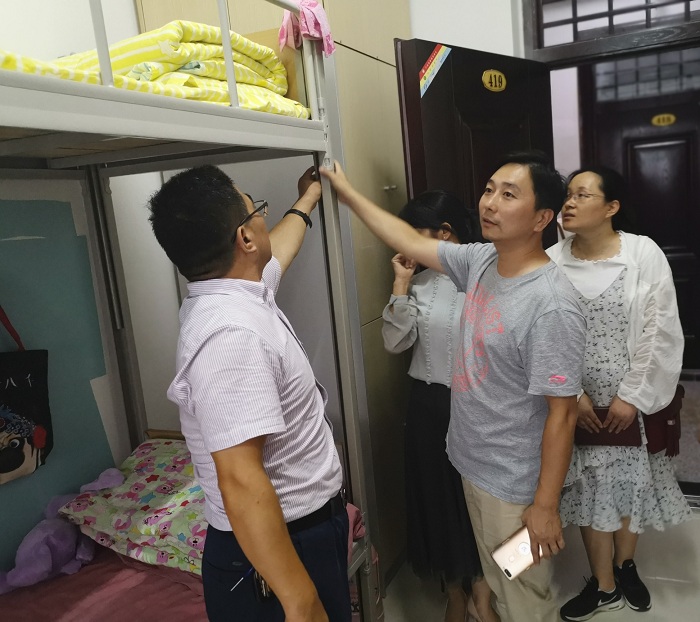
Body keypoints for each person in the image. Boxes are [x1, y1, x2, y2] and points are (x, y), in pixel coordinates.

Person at [322, 151, 587, 622]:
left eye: (509, 195)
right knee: (497, 579)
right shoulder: (481, 261)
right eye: (489, 190)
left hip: (516, 486)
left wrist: (544, 506)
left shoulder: (551, 304)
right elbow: (407, 238)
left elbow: (563, 413)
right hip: (470, 463)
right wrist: (345, 193)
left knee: (525, 599)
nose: (490, 203)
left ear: (541, 218)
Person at [148, 165, 350, 622]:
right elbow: (240, 479)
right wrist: (300, 602)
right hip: (276, 548)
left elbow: (279, 251)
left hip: (300, 532)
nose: (263, 217)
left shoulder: (238, 292)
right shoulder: (231, 335)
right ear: (244, 238)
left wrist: (307, 198)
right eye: (256, 210)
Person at [548, 166, 692, 621]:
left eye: (582, 195)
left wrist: (633, 396)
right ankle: (604, 585)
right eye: (568, 194)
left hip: (632, 397)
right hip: (575, 401)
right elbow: (544, 335)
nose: (569, 202)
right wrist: (572, 394)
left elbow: (660, 326)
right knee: (591, 487)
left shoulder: (642, 253)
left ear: (611, 207)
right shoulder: (550, 262)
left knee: (631, 482)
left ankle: (626, 566)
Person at [381, 192, 498, 622]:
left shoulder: (487, 276)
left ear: (444, 233)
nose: (403, 244)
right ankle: (453, 592)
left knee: (475, 502)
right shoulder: (419, 282)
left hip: (477, 404)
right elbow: (395, 343)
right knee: (435, 499)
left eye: (413, 234)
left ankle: (483, 591)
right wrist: (400, 284)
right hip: (428, 406)